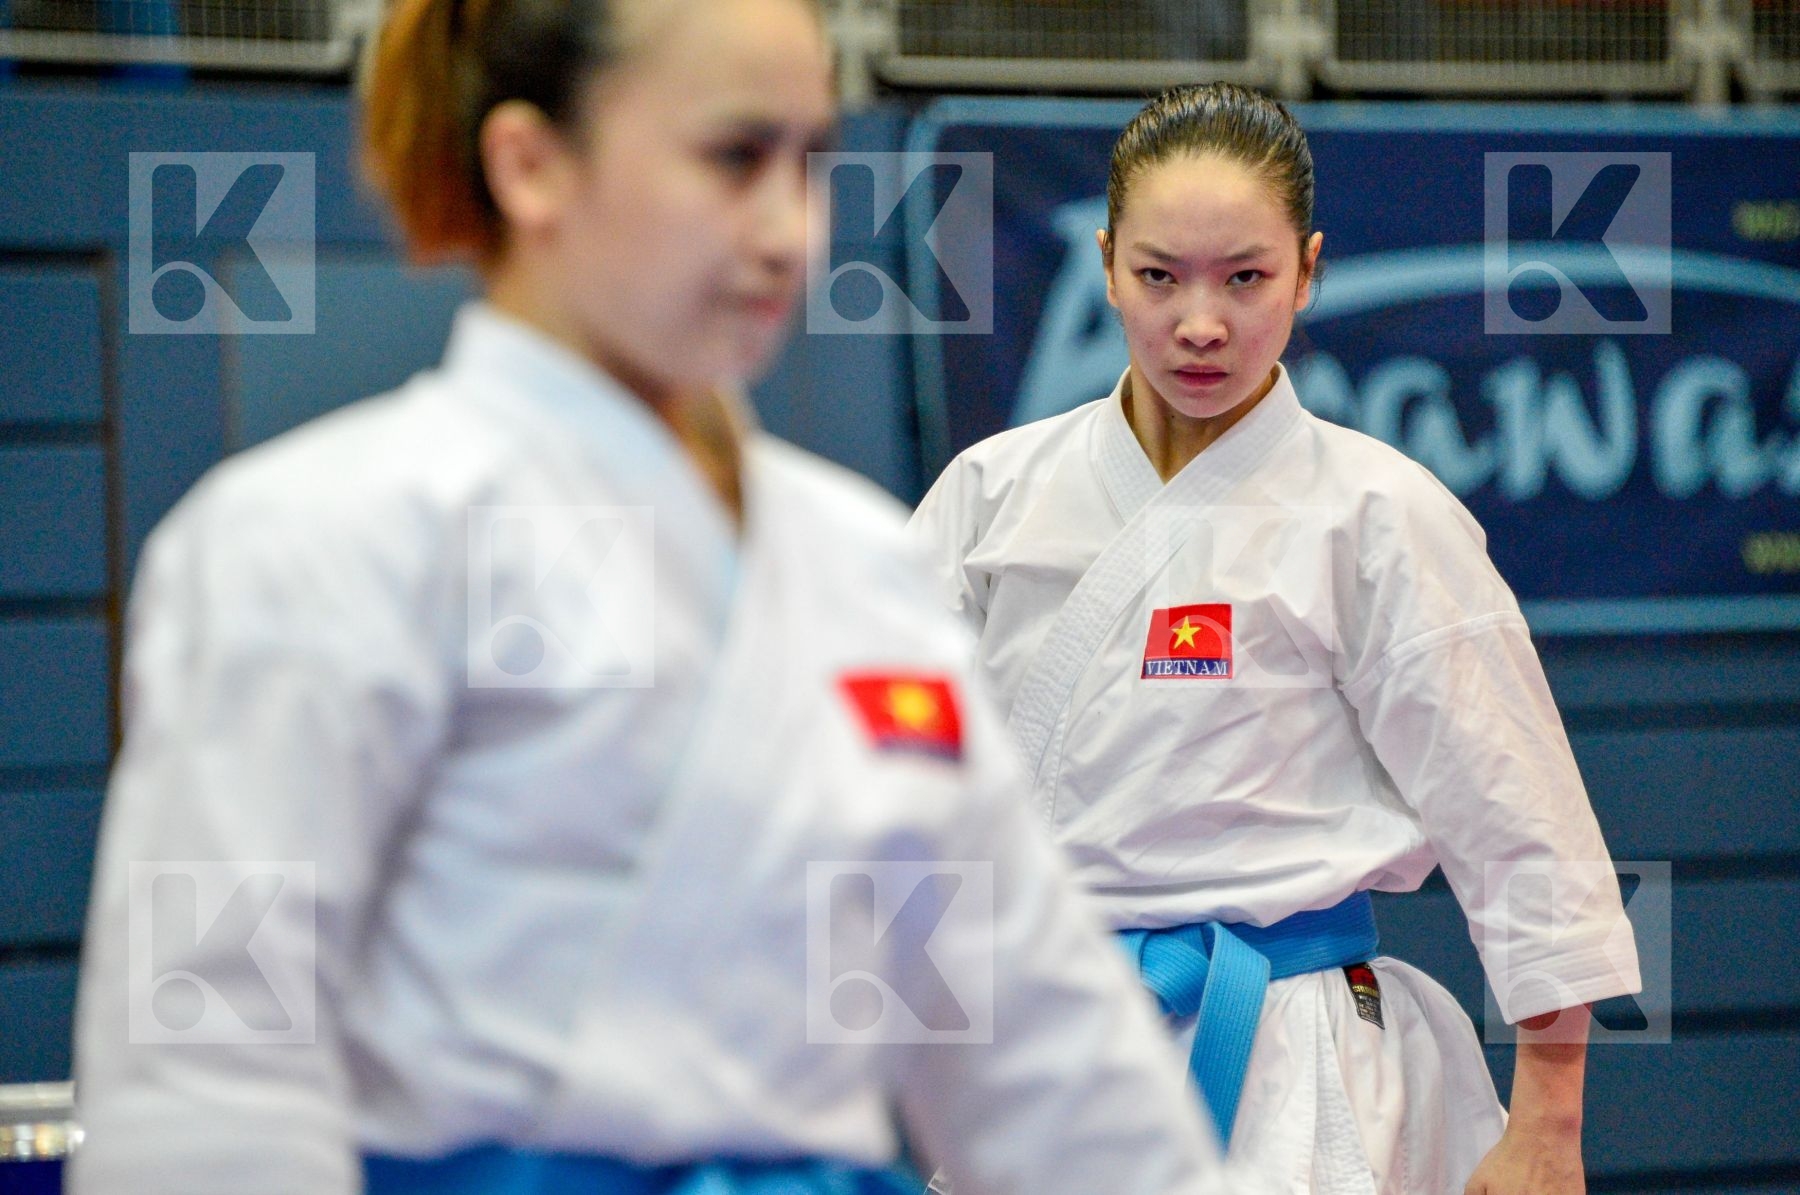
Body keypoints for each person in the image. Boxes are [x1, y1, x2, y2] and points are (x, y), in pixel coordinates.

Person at [66, 6, 1237, 1193]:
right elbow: (206, 1076)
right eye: (734, 158)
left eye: (811, 161)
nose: (788, 229)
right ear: (532, 165)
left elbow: (1026, 1052)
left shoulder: (860, 564)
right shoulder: (314, 537)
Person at [908, 82, 1643, 1195]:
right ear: (1106, 264)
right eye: (1159, 276)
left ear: (1308, 271)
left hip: (1292, 1046)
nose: (1200, 323)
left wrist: (1550, 1113)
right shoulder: (991, 494)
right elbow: (878, 780)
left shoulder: (1378, 513)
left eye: (1245, 278)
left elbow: (1520, 817)